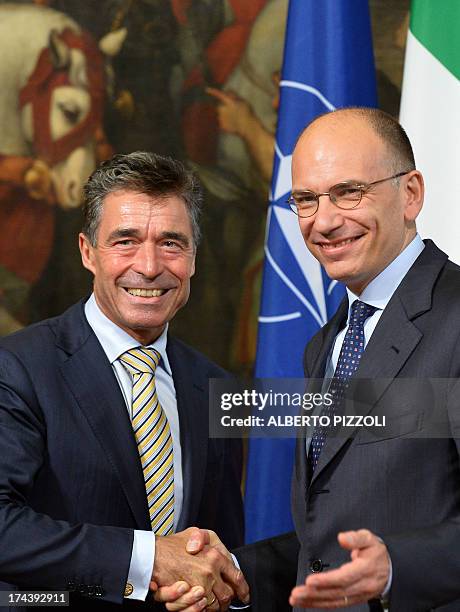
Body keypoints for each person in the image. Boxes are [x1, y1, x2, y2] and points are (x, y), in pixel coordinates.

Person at [157, 107, 460, 612]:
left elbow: (385, 558)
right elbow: (327, 544)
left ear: (411, 193)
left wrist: (397, 567)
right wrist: (229, 570)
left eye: (348, 192)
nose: (324, 220)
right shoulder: (327, 344)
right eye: (306, 200)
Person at [0, 151, 250, 610]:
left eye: (172, 243)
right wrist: (149, 559)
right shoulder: (18, 368)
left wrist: (215, 592)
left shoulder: (214, 385)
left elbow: (219, 545)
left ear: (194, 257)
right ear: (87, 252)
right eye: (126, 241)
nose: (150, 266)